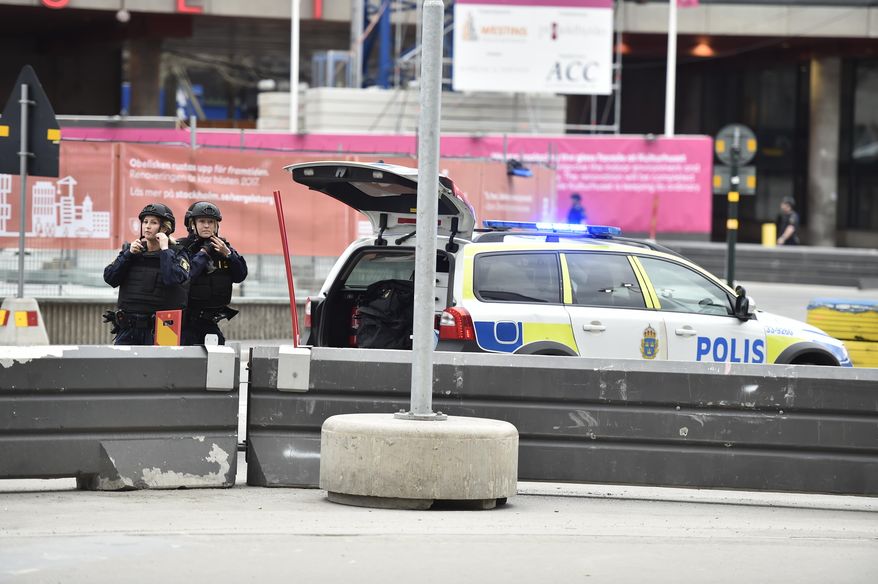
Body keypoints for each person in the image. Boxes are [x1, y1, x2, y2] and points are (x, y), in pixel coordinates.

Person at [103, 203, 190, 345]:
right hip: (129, 327)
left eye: (153, 223)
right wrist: (128, 254)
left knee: (162, 367)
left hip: (164, 326)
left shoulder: (178, 253)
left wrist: (165, 250)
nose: (147, 226)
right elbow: (110, 278)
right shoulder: (131, 251)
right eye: (145, 222)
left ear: (165, 228)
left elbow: (172, 279)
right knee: (122, 366)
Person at [179, 201, 248, 345]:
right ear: (192, 224)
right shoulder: (182, 248)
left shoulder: (223, 248)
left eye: (211, 222)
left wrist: (228, 255)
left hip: (209, 322)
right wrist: (204, 253)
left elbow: (240, 275)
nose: (206, 225)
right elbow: (185, 276)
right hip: (184, 323)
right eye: (202, 221)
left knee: (219, 360)